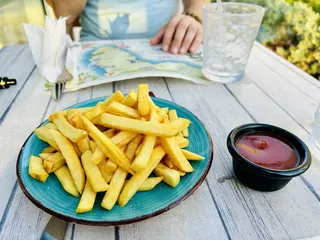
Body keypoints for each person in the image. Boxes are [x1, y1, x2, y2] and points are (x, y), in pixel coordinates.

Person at [48, 0, 209, 54]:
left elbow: (197, 4)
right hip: (94, 54)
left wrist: (193, 16)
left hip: (170, 47)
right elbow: (66, 16)